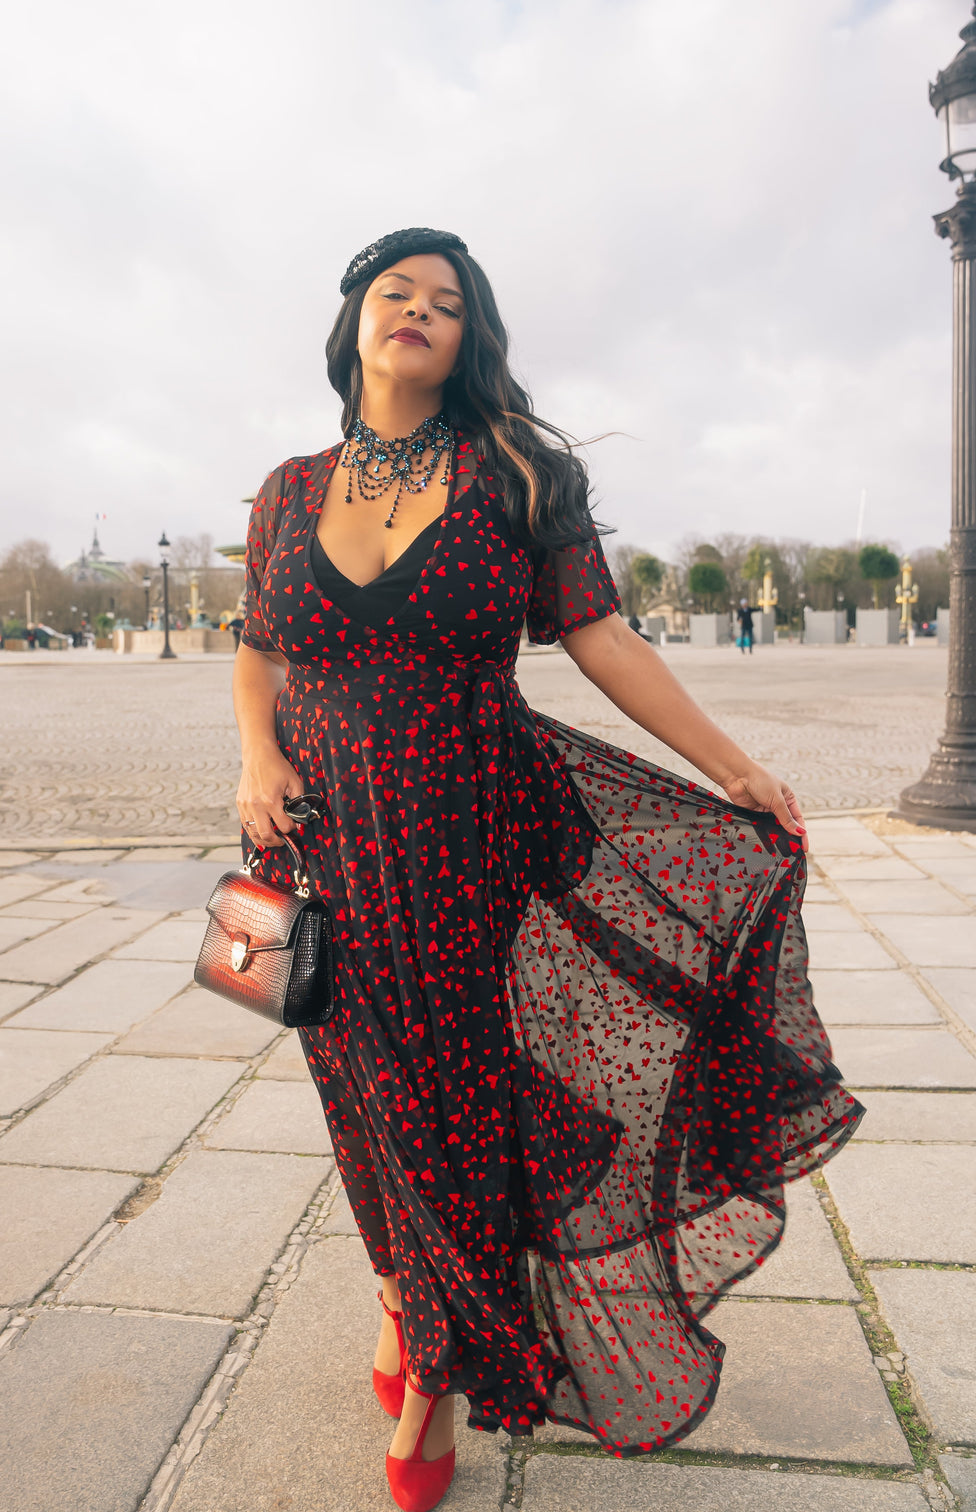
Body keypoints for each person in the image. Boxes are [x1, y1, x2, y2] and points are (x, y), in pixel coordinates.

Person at [232, 228, 862, 1512]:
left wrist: (733, 766)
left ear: (472, 339)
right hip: (319, 847)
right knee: (359, 1092)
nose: (418, 311)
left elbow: (599, 636)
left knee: (445, 1095)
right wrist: (254, 759)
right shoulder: (287, 488)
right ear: (354, 321)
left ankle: (437, 1377)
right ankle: (407, 1307)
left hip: (466, 832)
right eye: (395, 293)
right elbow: (261, 647)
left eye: (447, 303)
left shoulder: (515, 470)